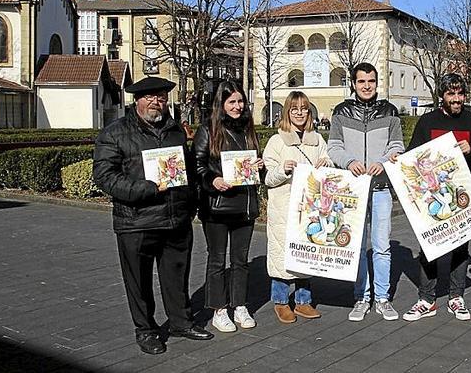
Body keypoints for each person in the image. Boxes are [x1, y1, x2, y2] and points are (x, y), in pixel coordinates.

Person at [93, 77, 213, 355]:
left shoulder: (175, 131)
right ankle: (146, 330)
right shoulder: (115, 132)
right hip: (136, 219)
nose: (155, 102)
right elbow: (105, 176)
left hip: (175, 218)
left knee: (176, 276)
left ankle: (181, 322)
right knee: (139, 281)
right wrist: (145, 189)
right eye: (149, 97)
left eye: (160, 97)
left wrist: (191, 201)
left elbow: (188, 171)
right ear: (137, 101)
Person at [401, 73, 471, 322]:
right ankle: (426, 299)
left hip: (462, 193)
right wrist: (398, 162)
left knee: (460, 244)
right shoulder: (428, 121)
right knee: (428, 245)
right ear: (442, 95)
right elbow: (412, 154)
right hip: (431, 194)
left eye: (460, 94)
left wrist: (470, 150)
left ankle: (456, 296)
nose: (456, 99)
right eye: (451, 94)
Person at [328, 62, 404, 322]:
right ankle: (362, 297)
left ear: (376, 82)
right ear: (353, 84)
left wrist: (382, 162)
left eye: (371, 81)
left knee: (382, 246)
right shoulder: (341, 111)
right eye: (361, 81)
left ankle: (382, 298)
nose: (367, 86)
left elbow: (397, 147)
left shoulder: (390, 111)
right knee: (357, 247)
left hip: (380, 187)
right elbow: (334, 147)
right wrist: (349, 162)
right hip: (353, 189)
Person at [193, 81, 263, 333]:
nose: (237, 106)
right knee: (217, 259)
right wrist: (213, 180)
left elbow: (255, 161)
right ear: (221, 104)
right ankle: (219, 309)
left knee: (240, 260)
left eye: (240, 101)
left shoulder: (248, 130)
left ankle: (240, 304)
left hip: (244, 205)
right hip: (218, 206)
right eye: (232, 102)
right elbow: (197, 166)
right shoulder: (208, 130)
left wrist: (260, 166)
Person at [263, 91, 330, 323]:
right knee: (282, 255)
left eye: (304, 108)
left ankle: (303, 301)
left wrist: (326, 164)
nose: (300, 113)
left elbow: (328, 165)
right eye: (294, 109)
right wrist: (283, 169)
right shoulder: (277, 141)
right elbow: (268, 178)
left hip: (309, 209)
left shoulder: (317, 139)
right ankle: (281, 302)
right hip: (284, 208)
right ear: (287, 113)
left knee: (306, 254)